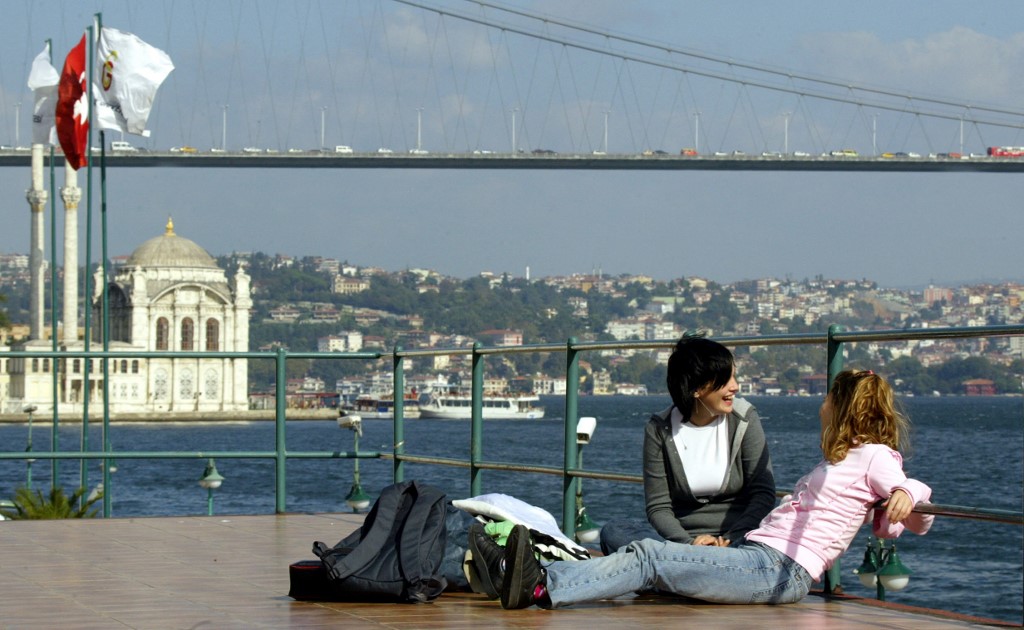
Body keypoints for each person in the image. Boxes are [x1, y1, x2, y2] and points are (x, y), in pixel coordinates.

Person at [477, 369, 934, 609]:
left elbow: (915, 503)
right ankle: (527, 575)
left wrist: (909, 493)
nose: (822, 405)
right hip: (759, 554)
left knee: (651, 556)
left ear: (841, 406)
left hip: (780, 570)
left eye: (828, 397)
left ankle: (539, 586)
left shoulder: (875, 455)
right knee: (634, 540)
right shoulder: (845, 458)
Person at [600, 334, 776, 553]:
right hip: (682, 544)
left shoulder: (744, 418)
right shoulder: (659, 429)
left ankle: (682, 570)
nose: (735, 387)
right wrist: (688, 543)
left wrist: (730, 539)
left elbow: (763, 493)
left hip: (739, 540)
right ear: (696, 388)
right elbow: (659, 507)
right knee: (614, 531)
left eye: (734, 377)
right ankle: (698, 566)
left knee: (772, 542)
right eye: (726, 379)